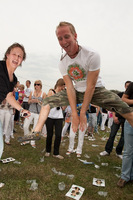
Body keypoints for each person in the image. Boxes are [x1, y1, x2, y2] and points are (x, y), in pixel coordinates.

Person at [22, 21, 133, 142]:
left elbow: (91, 86)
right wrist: (74, 114)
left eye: (67, 36)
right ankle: (36, 132)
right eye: (60, 38)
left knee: (127, 112)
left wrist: (82, 113)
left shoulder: (91, 55)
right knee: (46, 102)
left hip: (96, 90)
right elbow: (69, 87)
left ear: (75, 36)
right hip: (77, 91)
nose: (64, 41)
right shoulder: (63, 62)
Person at [0, 43, 30, 159]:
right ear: (7, 55)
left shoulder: (14, 79)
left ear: (22, 60)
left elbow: (9, 96)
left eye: (20, 56)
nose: (16, 58)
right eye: (14, 54)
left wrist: (21, 109)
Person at [100, 81, 131, 159]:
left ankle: (119, 152)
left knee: (123, 137)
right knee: (112, 134)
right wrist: (114, 116)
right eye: (127, 86)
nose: (128, 88)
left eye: (129, 86)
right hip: (117, 116)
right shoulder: (120, 95)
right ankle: (107, 150)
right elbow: (113, 106)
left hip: (127, 119)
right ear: (125, 86)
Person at [117, 81, 133, 187]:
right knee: (128, 151)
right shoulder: (132, 85)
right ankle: (125, 177)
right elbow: (123, 99)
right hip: (130, 119)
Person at [45, 79, 65, 159]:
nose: (63, 88)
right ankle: (48, 151)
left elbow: (63, 108)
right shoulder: (51, 92)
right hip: (50, 116)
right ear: (60, 85)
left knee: (58, 135)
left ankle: (56, 153)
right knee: (49, 135)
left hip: (59, 117)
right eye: (63, 86)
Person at [22, 80, 46, 148]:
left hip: (38, 113)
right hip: (30, 111)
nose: (36, 86)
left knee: (35, 128)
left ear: (40, 85)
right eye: (35, 84)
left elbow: (45, 104)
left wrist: (39, 101)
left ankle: (32, 141)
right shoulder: (32, 92)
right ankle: (27, 139)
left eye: (38, 84)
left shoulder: (43, 93)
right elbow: (28, 101)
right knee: (25, 126)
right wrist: (31, 101)